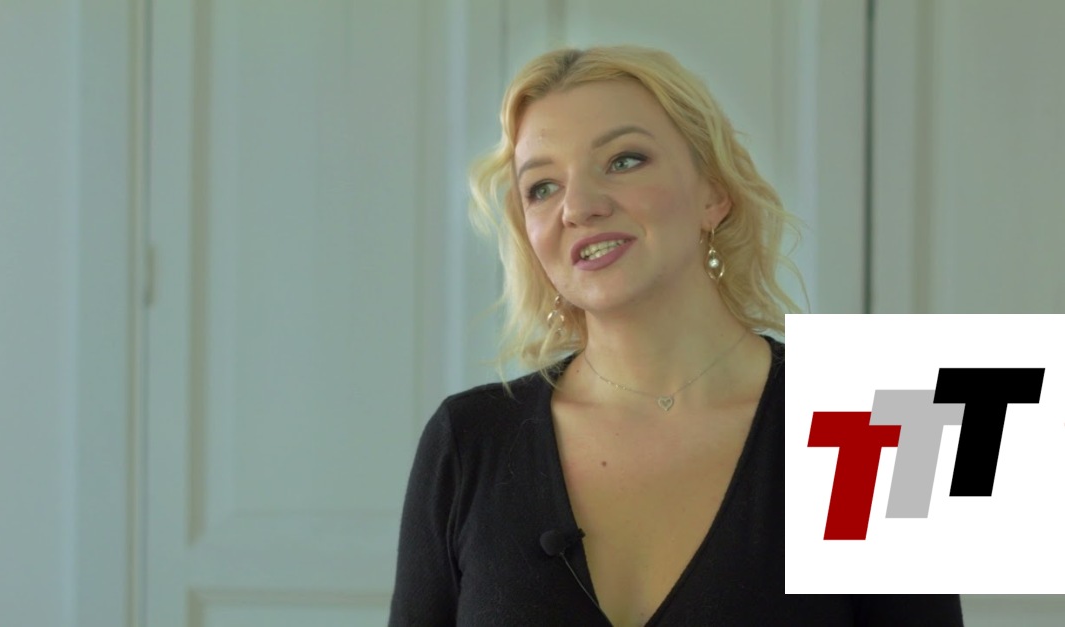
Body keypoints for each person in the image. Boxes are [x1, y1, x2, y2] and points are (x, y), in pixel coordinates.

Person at [389, 45, 963, 626]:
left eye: (624, 160)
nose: (578, 207)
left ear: (713, 192)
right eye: (542, 187)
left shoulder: (878, 423)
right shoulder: (466, 442)